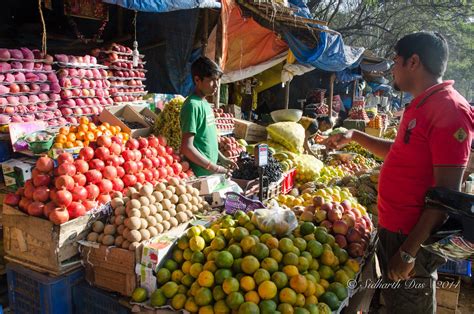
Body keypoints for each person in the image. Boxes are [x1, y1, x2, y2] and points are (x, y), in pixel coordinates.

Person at [325, 32, 473, 313]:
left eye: (396, 61)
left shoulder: (450, 109)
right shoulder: (420, 104)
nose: (392, 68)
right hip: (395, 231)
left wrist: (408, 252)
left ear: (413, 62)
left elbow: (447, 197)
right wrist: (355, 136)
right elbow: (400, 153)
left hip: (413, 237)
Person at [180, 57, 236, 177]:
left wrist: (221, 158)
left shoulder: (205, 103)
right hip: (200, 175)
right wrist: (215, 168)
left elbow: (207, 139)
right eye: (212, 80)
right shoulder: (192, 106)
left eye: (217, 80)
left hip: (210, 173)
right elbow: (187, 147)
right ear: (197, 80)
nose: (216, 85)